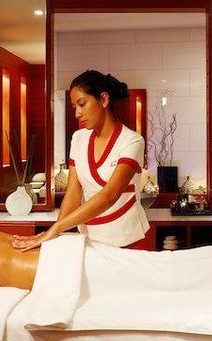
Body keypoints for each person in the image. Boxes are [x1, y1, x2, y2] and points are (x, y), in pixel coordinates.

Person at [12, 70, 149, 251]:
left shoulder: (132, 141)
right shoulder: (78, 138)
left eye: (82, 104)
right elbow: (73, 193)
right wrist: (54, 233)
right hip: (89, 239)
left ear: (104, 100)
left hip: (127, 239)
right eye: (74, 107)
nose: (77, 113)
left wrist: (56, 228)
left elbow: (110, 195)